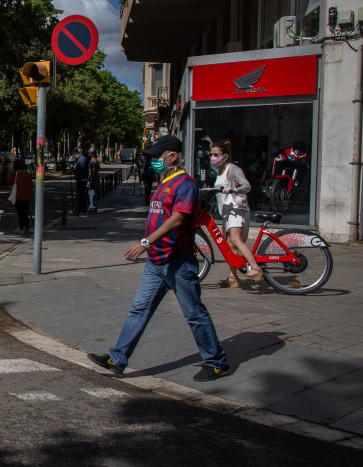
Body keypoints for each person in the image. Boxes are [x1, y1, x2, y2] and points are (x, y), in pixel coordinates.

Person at [88, 134, 231, 382]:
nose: (154, 161)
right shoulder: (165, 182)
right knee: (138, 310)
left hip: (178, 261)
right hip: (156, 262)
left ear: (172, 156)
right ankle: (118, 358)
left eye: (157, 156)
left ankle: (217, 362)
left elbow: (178, 219)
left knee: (194, 314)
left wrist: (145, 242)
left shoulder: (185, 184)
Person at [211, 139, 263, 286]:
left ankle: (255, 267)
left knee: (235, 240)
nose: (212, 157)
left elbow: (247, 186)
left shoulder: (232, 169)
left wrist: (233, 190)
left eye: (216, 154)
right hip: (227, 211)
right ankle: (233, 278)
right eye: (211, 154)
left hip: (236, 209)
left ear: (225, 156)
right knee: (230, 245)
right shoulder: (220, 170)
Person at [7, 162, 34, 232]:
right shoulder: (27, 174)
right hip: (26, 195)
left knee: (20, 212)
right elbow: (31, 184)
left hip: (18, 195)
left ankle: (21, 226)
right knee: (25, 212)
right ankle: (27, 226)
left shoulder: (15, 174)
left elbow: (9, 179)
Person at [73, 147, 90, 214]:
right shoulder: (82, 159)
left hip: (82, 179)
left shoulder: (81, 159)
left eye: (74, 156)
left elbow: (81, 169)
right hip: (82, 179)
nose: (74, 157)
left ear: (76, 154)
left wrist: (76, 171)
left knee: (81, 195)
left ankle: (82, 209)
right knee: (81, 195)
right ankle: (81, 209)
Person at [87, 147, 101, 212]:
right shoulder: (94, 160)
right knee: (93, 192)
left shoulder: (93, 161)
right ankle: (93, 206)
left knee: (92, 193)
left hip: (93, 178)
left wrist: (89, 179)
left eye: (89, 153)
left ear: (92, 153)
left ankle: (92, 206)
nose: (88, 154)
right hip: (95, 178)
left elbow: (93, 171)